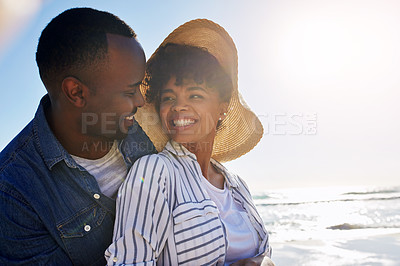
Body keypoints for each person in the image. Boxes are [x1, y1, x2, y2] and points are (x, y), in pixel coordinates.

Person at [106, 19, 273, 265]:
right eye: (168, 97)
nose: (178, 106)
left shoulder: (238, 186)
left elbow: (265, 256)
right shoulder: (155, 172)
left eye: (195, 95)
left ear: (222, 109)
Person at [0, 8, 156, 265]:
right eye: (129, 92)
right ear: (76, 93)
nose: (141, 100)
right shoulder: (13, 192)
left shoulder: (150, 120)